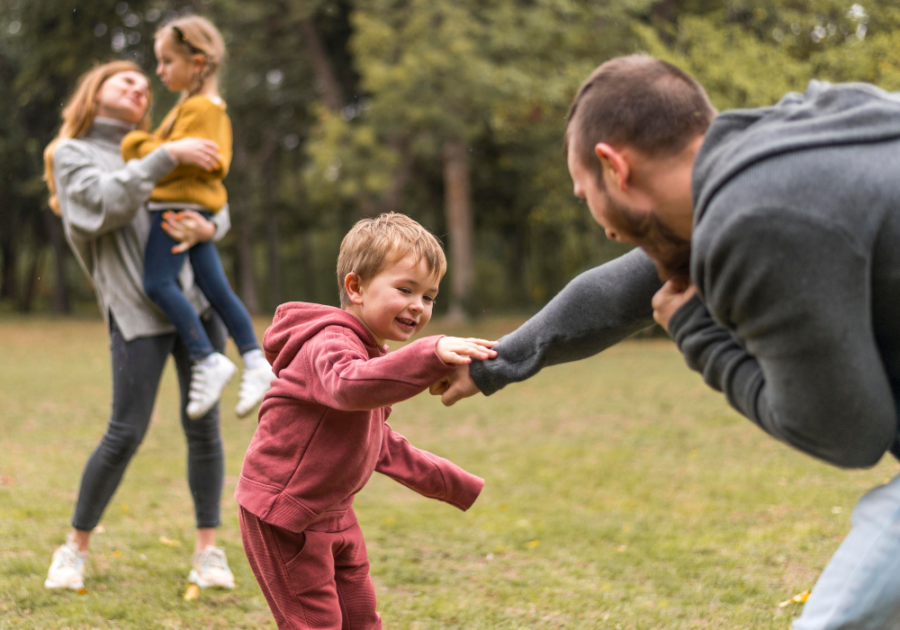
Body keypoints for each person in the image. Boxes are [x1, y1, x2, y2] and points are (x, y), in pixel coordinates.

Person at [434, 55, 900, 629]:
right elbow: (628, 286)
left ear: (613, 167)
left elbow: (849, 434)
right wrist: (492, 364)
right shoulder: (792, 138)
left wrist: (700, 336)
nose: (604, 228)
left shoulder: (758, 220)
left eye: (587, 197)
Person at [236, 213, 492, 629]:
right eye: (405, 289)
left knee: (361, 619)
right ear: (356, 287)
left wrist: (449, 481)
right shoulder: (330, 343)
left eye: (429, 297)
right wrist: (431, 352)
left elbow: (376, 441)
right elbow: (348, 386)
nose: (417, 306)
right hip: (285, 515)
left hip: (335, 514)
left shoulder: (370, 353)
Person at [43, 60, 237, 590]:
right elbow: (100, 206)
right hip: (135, 310)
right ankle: (74, 550)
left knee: (204, 430)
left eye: (144, 85)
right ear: (93, 89)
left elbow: (214, 201)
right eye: (123, 79)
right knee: (125, 431)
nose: (138, 86)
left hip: (196, 304)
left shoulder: (156, 143)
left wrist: (210, 223)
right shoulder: (73, 154)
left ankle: (209, 552)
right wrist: (165, 156)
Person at [121, 15, 273, 421]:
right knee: (216, 289)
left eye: (167, 60)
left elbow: (170, 156)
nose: (160, 70)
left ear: (198, 62)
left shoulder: (201, 109)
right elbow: (173, 149)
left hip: (176, 207)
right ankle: (256, 362)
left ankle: (207, 358)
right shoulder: (196, 107)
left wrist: (137, 142)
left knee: (157, 282)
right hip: (194, 208)